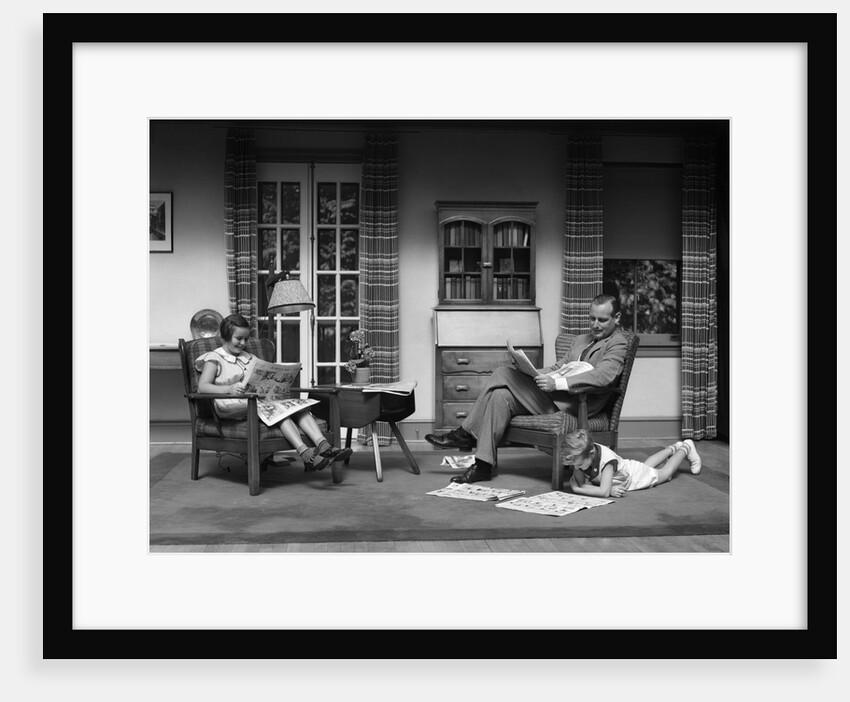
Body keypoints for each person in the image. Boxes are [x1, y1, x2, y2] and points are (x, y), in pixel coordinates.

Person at [425, 293, 629, 484]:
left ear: (617, 317)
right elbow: (558, 368)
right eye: (592, 318)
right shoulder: (580, 340)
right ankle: (483, 466)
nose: (595, 325)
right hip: (552, 398)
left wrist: (556, 383)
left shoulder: (618, 343)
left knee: (502, 373)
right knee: (500, 395)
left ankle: (465, 432)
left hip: (578, 405)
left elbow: (604, 375)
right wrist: (529, 372)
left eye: (602, 320)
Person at [195, 313, 352, 472]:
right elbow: (203, 387)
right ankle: (305, 453)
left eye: (246, 339)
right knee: (278, 411)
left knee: (296, 408)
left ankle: (323, 446)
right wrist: (228, 389)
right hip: (229, 403)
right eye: (238, 338)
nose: (243, 343)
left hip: (256, 402)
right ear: (225, 337)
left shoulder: (249, 357)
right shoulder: (215, 358)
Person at [564, 428, 702, 498]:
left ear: (591, 454)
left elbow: (603, 492)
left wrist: (577, 489)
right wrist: (583, 485)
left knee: (665, 473)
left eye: (579, 465)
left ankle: (686, 447)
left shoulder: (607, 462)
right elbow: (582, 482)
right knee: (646, 466)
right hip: (628, 467)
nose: (576, 468)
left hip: (634, 477)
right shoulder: (582, 456)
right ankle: (674, 448)